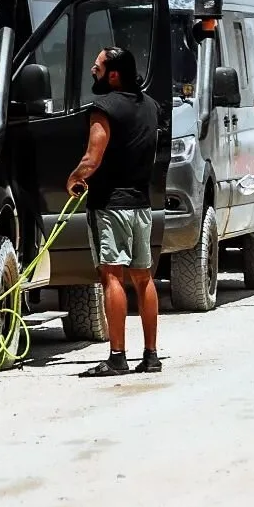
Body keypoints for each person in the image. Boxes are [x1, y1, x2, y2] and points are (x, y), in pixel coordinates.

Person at [66, 46, 161, 376]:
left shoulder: (103, 108)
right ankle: (151, 356)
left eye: (98, 67)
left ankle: (117, 357)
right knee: (143, 278)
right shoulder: (151, 107)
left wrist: (75, 178)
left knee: (112, 278)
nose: (93, 71)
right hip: (142, 207)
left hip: (111, 207)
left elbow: (93, 157)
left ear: (113, 74)